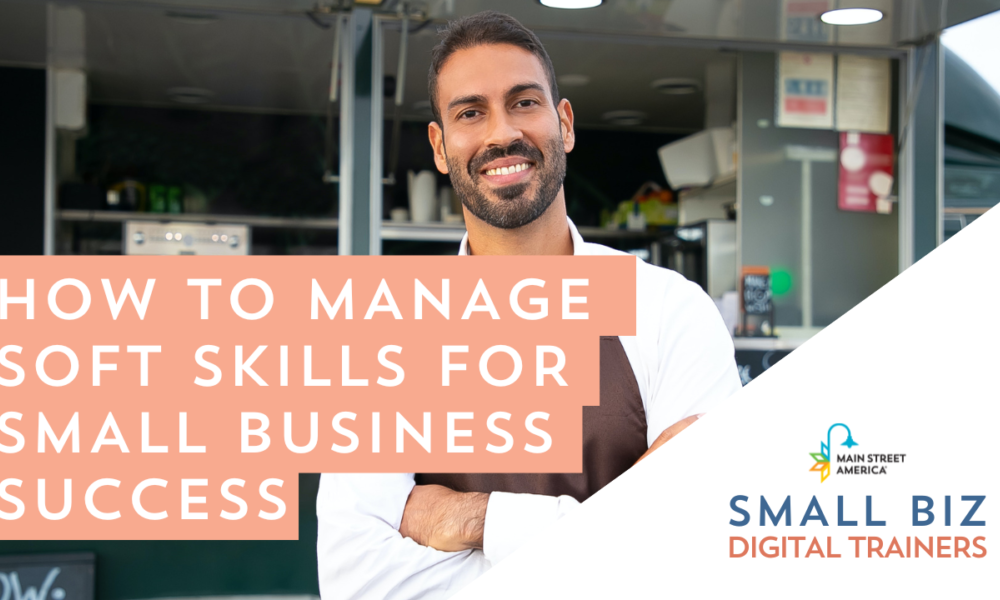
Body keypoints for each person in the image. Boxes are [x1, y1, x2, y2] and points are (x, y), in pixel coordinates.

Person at [317, 11, 741, 599]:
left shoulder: (670, 311)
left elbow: (702, 549)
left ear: (563, 124)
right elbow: (357, 581)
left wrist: (478, 519)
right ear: (440, 146)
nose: (501, 135)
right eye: (470, 112)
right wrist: (612, 535)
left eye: (523, 103)